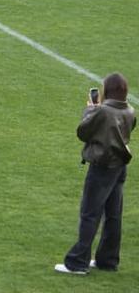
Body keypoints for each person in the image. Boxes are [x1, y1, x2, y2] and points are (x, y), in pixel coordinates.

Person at [55, 73, 135, 276]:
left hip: (102, 167)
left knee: (90, 214)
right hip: (119, 167)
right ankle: (107, 260)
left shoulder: (103, 112)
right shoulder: (130, 110)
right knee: (113, 215)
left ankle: (77, 262)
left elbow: (83, 132)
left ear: (107, 90)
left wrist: (90, 110)